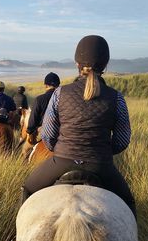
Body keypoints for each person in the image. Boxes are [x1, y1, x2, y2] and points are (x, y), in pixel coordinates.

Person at [22, 35, 136, 217]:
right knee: (128, 201)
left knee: (28, 188)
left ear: (77, 64)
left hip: (61, 161)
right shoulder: (117, 98)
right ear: (105, 66)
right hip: (100, 165)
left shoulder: (59, 93)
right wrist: (102, 151)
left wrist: (61, 150)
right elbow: (122, 140)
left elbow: (48, 135)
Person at [26, 72, 60, 145]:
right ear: (58, 85)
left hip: (42, 131)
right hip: (61, 131)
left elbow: (33, 118)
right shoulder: (63, 98)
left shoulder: (39, 99)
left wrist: (29, 131)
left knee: (25, 152)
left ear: (46, 85)